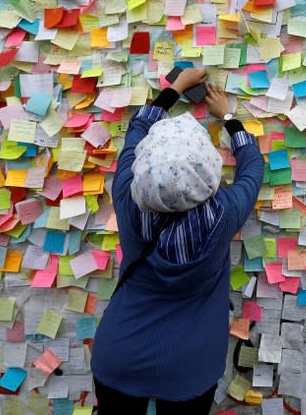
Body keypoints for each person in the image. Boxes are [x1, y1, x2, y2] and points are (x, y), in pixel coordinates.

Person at [91, 68, 264, 414]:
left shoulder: (126, 196)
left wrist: (175, 89)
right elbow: (252, 168)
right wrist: (228, 117)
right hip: (190, 363)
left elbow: (136, 132)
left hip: (119, 351)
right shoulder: (224, 212)